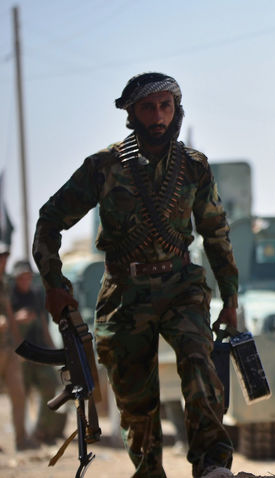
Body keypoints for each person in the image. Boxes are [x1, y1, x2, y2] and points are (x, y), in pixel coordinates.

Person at [32, 72, 239, 478]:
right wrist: (53, 284)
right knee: (135, 401)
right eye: (148, 108)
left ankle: (212, 464)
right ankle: (149, 471)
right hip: (125, 293)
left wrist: (230, 299)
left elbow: (216, 234)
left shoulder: (194, 167)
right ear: (132, 114)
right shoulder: (103, 167)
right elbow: (48, 221)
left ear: (177, 110)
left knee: (200, 365)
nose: (159, 117)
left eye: (166, 106)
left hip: (182, 287)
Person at [9, 260, 65, 445]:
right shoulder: (10, 297)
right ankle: (22, 437)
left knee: (50, 386)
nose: (25, 280)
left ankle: (41, 431)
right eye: (21, 277)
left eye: (28, 277)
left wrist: (53, 350)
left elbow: (43, 323)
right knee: (20, 396)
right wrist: (17, 319)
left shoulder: (36, 294)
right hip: (19, 354)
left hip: (39, 350)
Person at [0, 244, 38, 452]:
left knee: (18, 394)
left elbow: (9, 317)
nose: (3, 262)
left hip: (8, 349)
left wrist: (18, 345)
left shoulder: (4, 284)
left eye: (5, 258)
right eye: (0, 258)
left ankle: (21, 441)